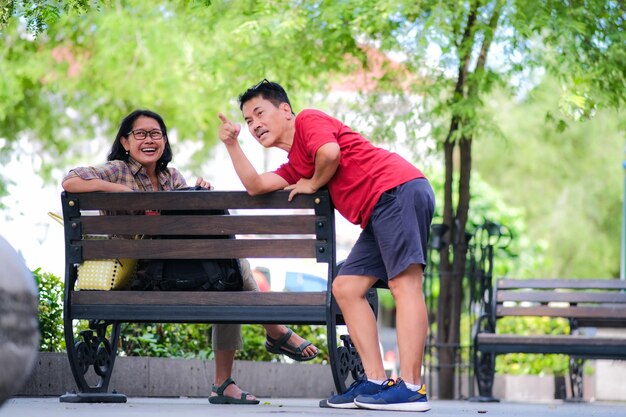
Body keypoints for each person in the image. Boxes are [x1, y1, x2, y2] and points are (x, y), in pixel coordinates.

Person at [62, 109, 318, 405]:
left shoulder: (171, 177)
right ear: (126, 141)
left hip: (171, 273)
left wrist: (199, 195)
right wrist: (118, 190)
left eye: (156, 134)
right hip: (137, 278)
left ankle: (240, 366)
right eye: (141, 134)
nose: (149, 140)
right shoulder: (117, 169)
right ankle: (269, 336)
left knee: (228, 274)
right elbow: (71, 181)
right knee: (230, 272)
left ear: (164, 141)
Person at [218, 80, 435, 412]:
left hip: (397, 191)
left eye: (259, 113)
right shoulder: (296, 163)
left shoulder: (309, 120)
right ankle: (376, 381)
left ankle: (412, 388)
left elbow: (330, 153)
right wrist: (233, 144)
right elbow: (258, 184)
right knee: (346, 287)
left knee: (404, 285)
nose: (254, 124)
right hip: (379, 211)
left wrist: (314, 183)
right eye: (247, 121)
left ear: (285, 110)